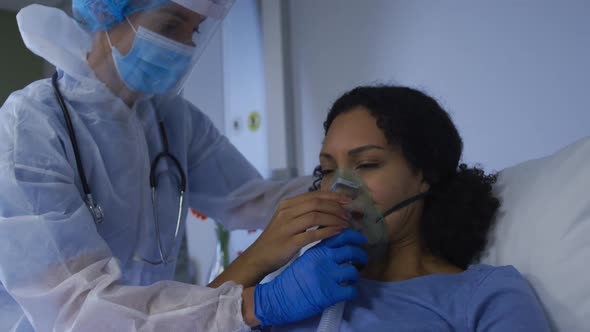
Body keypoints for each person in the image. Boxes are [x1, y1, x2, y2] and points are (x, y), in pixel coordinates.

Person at [0, 1, 367, 331]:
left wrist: (351, 188)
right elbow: (76, 311)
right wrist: (258, 303)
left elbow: (251, 199)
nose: (184, 47)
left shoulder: (171, 119)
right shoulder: (32, 128)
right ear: (106, 12)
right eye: (171, 25)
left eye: (193, 32)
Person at [270, 85, 551, 331]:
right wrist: (259, 268)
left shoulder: (482, 297)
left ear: (424, 174)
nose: (339, 188)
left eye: (366, 164)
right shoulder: (294, 289)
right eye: (328, 169)